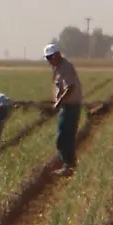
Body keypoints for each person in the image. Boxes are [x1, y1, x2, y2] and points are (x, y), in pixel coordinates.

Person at [45, 43, 82, 174]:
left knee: (63, 138)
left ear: (57, 55)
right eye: (47, 58)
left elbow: (70, 87)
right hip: (67, 106)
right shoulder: (59, 67)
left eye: (50, 57)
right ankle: (70, 165)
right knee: (67, 137)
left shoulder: (65, 68)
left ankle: (68, 165)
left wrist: (59, 103)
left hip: (70, 106)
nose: (49, 61)